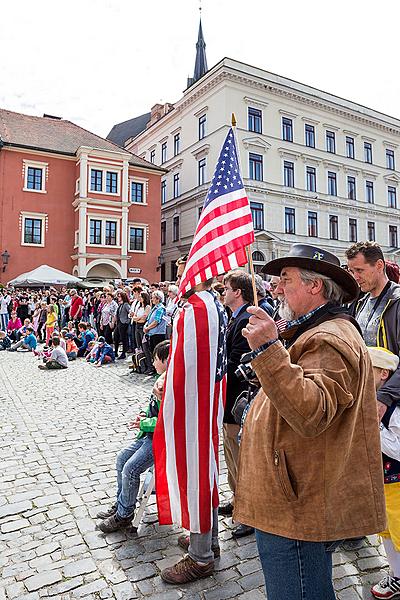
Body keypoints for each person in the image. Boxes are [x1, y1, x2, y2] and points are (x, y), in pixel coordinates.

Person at [234, 243, 385, 600]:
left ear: (314, 286)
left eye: (285, 279)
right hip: (298, 491)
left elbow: (311, 412)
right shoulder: (313, 329)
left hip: (297, 500)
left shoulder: (329, 337)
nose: (277, 287)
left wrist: (269, 349)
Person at [155, 256, 227, 584]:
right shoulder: (213, 304)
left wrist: (165, 386)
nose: (180, 272)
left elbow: (186, 364)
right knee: (206, 467)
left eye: (185, 267)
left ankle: (200, 556)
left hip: (195, 402)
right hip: (209, 400)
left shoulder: (196, 308)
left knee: (195, 468)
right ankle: (207, 538)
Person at [96, 340, 170, 533]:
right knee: (122, 458)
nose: (152, 362)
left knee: (131, 469)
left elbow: (168, 420)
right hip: (148, 436)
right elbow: (152, 408)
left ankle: (125, 514)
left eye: (155, 358)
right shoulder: (160, 379)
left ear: (165, 360)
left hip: (160, 440)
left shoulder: (171, 385)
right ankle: (121, 505)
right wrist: (144, 415)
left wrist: (144, 422)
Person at [219, 270, 254, 539]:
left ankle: (248, 511)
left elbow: (238, 362)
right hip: (228, 398)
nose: (223, 292)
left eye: (226, 288)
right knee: (230, 454)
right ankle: (236, 498)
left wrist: (214, 377)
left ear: (238, 292)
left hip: (237, 400)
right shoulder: (234, 317)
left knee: (239, 456)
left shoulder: (246, 319)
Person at [367, 347, 400, 599]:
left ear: (383, 374)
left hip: (397, 482)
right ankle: (396, 574)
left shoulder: (392, 411)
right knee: (386, 531)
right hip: (382, 481)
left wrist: (374, 427)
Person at [142, 291, 166, 374]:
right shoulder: (154, 308)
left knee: (157, 353)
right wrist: (145, 326)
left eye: (153, 297)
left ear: (158, 299)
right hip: (151, 333)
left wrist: (147, 328)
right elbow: (149, 319)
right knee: (152, 351)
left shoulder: (160, 308)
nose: (151, 299)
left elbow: (156, 321)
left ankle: (157, 370)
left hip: (157, 334)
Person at [114, 291, 131, 360]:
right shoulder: (120, 304)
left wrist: (127, 321)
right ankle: (115, 351)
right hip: (119, 323)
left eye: (119, 296)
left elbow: (130, 313)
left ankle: (123, 353)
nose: (118, 298)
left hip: (123, 323)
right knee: (116, 336)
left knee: (123, 338)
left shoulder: (126, 304)